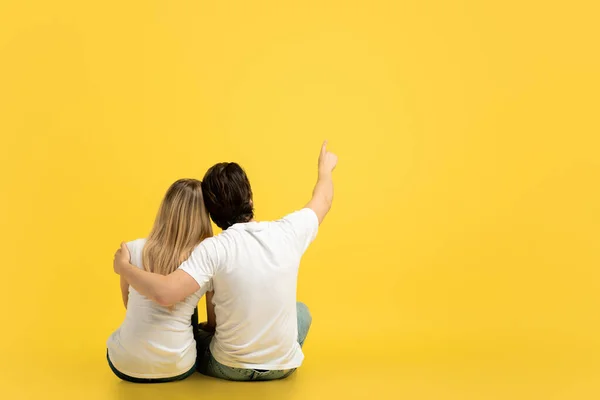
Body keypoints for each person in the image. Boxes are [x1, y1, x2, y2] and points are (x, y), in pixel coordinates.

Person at [113, 141, 338, 381]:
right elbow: (323, 199)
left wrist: (123, 267)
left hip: (227, 366)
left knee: (192, 328)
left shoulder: (212, 249)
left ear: (211, 213)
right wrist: (324, 169)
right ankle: (277, 354)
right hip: (283, 367)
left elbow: (166, 295)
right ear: (249, 197)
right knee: (301, 311)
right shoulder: (288, 232)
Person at [107, 179, 214, 383]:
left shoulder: (132, 249)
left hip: (125, 364)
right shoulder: (205, 259)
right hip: (178, 366)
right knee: (191, 308)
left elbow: (128, 302)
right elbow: (213, 323)